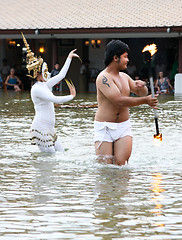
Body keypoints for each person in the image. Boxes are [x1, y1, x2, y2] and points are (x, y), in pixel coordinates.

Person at [94, 40, 158, 166]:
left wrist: (143, 86)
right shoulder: (103, 78)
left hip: (123, 126)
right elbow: (119, 101)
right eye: (125, 57)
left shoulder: (124, 77)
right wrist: (145, 101)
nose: (128, 60)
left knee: (122, 165)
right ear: (115, 58)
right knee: (106, 166)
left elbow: (141, 92)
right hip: (104, 127)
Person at [22, 33, 79, 153]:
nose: (47, 73)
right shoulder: (36, 89)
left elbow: (61, 75)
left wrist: (69, 58)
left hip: (50, 129)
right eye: (45, 71)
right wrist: (71, 96)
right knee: (50, 159)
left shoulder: (44, 84)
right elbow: (55, 99)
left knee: (61, 154)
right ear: (38, 74)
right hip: (40, 128)